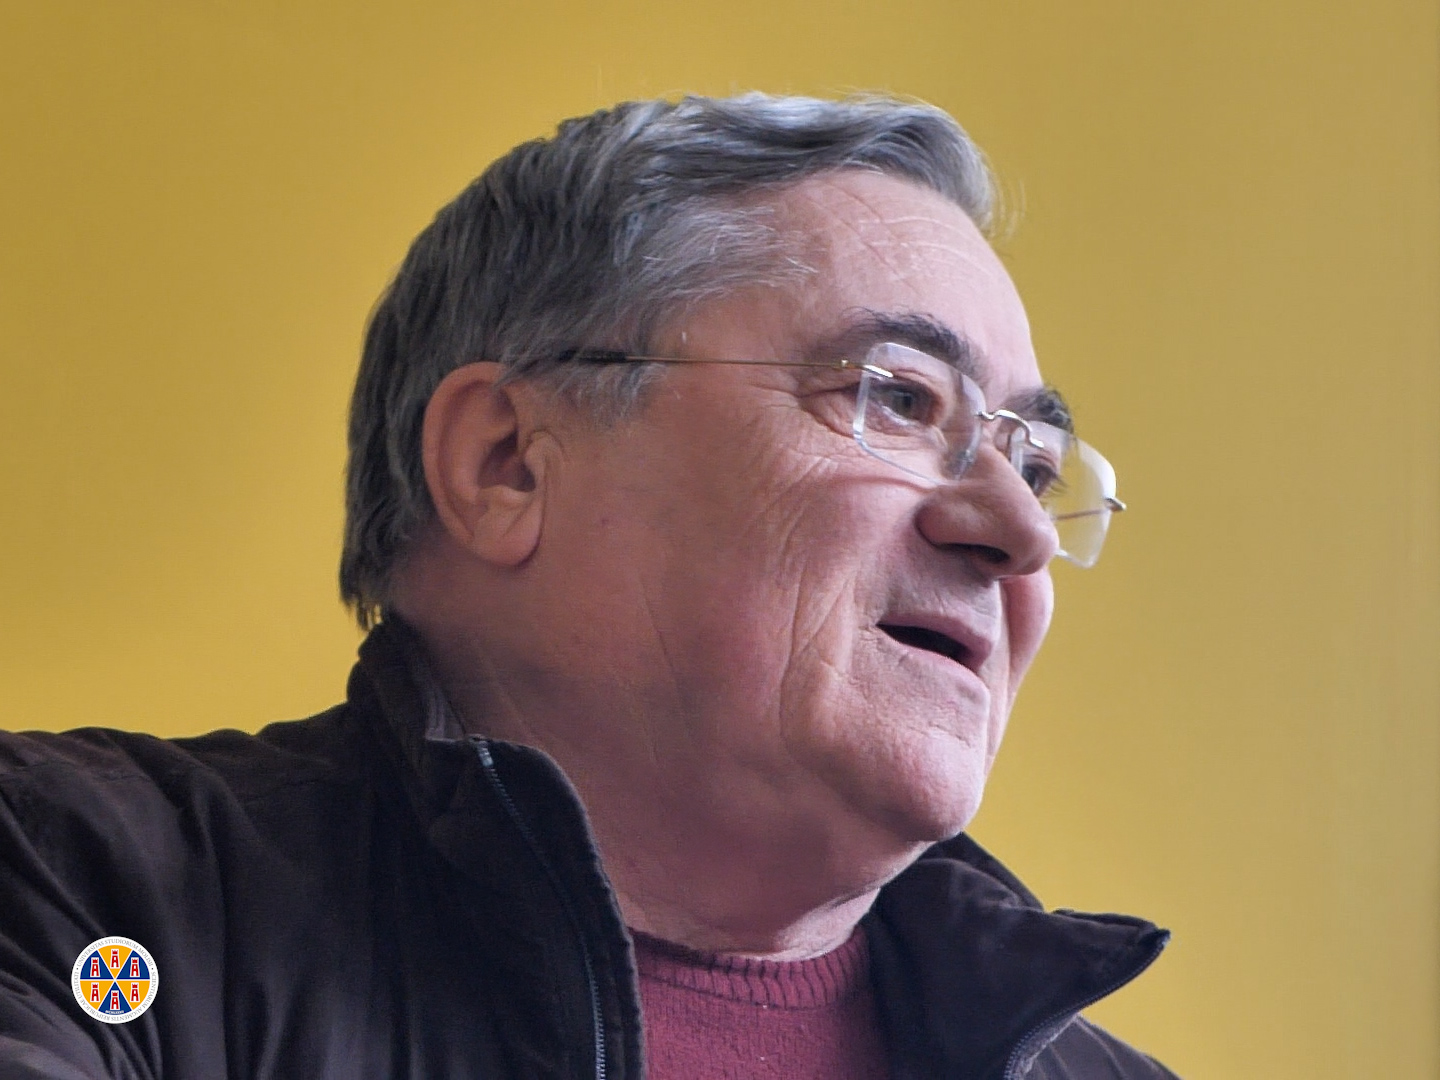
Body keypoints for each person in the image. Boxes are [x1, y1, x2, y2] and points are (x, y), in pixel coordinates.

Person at [0, 93, 1175, 1079]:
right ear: (506, 463)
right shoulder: (79, 885)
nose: (1021, 531)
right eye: (902, 399)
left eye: (1036, 467)